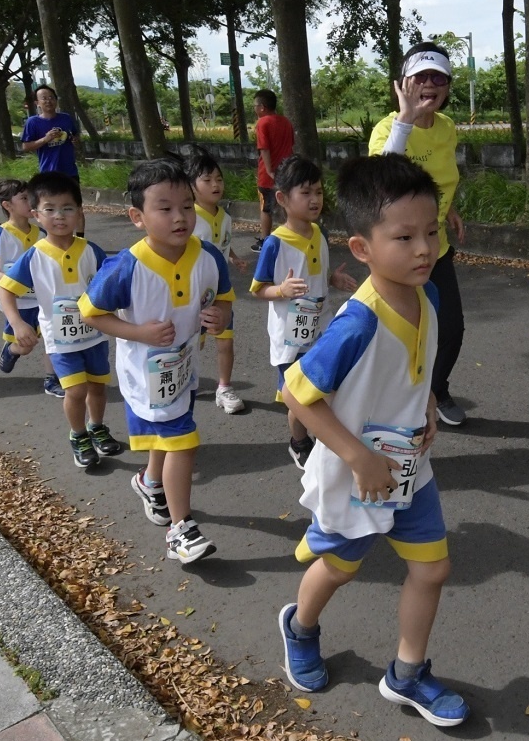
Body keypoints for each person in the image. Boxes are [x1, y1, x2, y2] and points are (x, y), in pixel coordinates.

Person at [277, 154, 469, 727]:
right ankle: (300, 628)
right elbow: (296, 393)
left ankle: (406, 675)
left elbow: (418, 365)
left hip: (411, 469)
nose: (423, 249)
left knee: (431, 568)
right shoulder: (358, 322)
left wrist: (428, 404)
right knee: (339, 567)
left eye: (431, 232)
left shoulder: (428, 296)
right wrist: (358, 456)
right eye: (404, 237)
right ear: (362, 249)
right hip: (357, 474)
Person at [79, 159, 234, 565]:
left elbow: (224, 300)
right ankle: (180, 531)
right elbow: (90, 312)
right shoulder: (126, 267)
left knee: (168, 437)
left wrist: (220, 317)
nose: (180, 217)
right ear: (137, 217)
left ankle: (150, 482)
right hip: (144, 378)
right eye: (164, 208)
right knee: (183, 442)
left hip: (182, 371)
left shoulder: (209, 257)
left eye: (186, 205)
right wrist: (139, 333)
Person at [370, 41, 469, 427]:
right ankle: (390, 402)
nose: (430, 84)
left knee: (451, 328)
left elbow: (441, 179)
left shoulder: (446, 129)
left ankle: (435, 389)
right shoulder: (388, 128)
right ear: (404, 83)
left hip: (436, 245)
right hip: (397, 250)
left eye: (438, 77)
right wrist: (406, 119)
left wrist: (450, 209)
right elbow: (380, 178)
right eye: (420, 77)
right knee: (398, 331)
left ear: (447, 86)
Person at [0, 172, 125, 467]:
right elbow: (6, 291)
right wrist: (18, 323)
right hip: (59, 340)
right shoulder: (34, 256)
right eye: (50, 209)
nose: (60, 216)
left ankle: (97, 426)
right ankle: (78, 434)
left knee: (97, 386)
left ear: (80, 213)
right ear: (35, 215)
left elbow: (109, 287)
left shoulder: (91, 251)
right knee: (75, 390)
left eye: (68, 208)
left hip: (94, 335)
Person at [251, 155, 355, 468]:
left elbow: (318, 275)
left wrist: (332, 279)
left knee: (323, 390)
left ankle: (327, 441)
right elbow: (258, 289)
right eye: (306, 193)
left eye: (319, 192)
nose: (315, 200)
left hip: (321, 331)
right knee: (297, 398)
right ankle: (299, 441)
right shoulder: (275, 244)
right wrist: (280, 291)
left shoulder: (320, 235)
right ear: (282, 198)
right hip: (289, 338)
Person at [0, 178, 63, 398]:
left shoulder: (40, 233)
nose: (31, 202)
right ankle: (11, 350)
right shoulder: (2, 233)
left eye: (31, 196)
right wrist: (1, 277)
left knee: (52, 338)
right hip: (18, 302)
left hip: (44, 299)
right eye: (24, 198)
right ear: (8, 206)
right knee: (27, 345)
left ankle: (51, 379)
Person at [186, 150, 248, 415]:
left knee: (225, 341)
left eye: (219, 179)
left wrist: (233, 258)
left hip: (220, 294)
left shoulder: (226, 217)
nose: (215, 185)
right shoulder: (188, 217)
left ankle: (224, 388)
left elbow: (222, 243)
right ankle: (186, 382)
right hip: (189, 297)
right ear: (191, 186)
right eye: (207, 180)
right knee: (190, 345)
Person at [249, 88, 294, 253]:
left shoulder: (263, 123)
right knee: (285, 206)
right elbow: (291, 146)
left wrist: (268, 170)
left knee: (266, 208)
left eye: (255, 106)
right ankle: (289, 238)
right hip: (286, 172)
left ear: (262, 107)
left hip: (268, 176)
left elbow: (264, 148)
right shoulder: (286, 122)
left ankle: (265, 240)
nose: (254, 109)